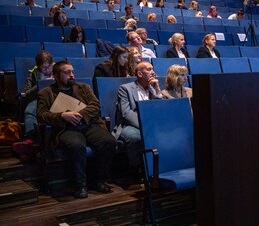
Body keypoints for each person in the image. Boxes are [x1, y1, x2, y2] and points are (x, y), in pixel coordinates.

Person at [37, 61, 115, 198]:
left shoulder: (83, 87)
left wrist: (81, 115)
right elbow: (42, 114)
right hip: (66, 128)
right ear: (55, 76)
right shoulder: (46, 93)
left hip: (88, 124)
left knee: (109, 141)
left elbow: (95, 105)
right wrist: (62, 116)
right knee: (76, 145)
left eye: (72, 72)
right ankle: (79, 186)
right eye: (67, 72)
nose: (71, 75)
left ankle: (98, 180)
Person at [114, 62, 163, 171]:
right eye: (149, 69)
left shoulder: (153, 88)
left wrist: (157, 91)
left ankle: (158, 169)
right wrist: (145, 126)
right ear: (140, 74)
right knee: (136, 138)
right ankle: (136, 169)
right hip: (129, 125)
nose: (153, 72)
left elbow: (160, 109)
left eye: (153, 69)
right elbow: (126, 113)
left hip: (151, 124)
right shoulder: (125, 89)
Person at [12, 51, 54, 162]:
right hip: (38, 99)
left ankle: (39, 147)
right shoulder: (33, 74)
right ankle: (30, 140)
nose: (46, 70)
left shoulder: (58, 71)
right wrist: (39, 85)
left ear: (52, 64)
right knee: (30, 110)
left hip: (55, 99)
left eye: (48, 67)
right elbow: (25, 93)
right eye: (43, 68)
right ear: (38, 66)